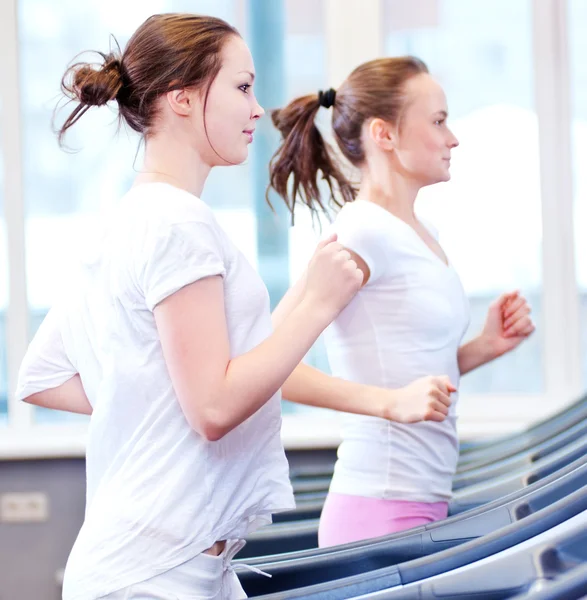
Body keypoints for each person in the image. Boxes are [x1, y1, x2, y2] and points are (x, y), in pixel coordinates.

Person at [16, 17, 454, 599]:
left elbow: (41, 377)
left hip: (186, 564)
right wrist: (316, 303)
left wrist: (166, 391)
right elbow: (215, 406)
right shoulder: (177, 223)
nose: (256, 109)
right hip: (152, 573)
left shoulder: (131, 217)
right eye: (242, 88)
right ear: (182, 98)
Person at [268, 55, 535, 547]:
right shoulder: (362, 230)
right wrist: (389, 404)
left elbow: (408, 372)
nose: (452, 138)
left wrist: (484, 347)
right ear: (383, 134)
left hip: (423, 502)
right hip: (377, 512)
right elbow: (268, 363)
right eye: (437, 121)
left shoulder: (418, 231)